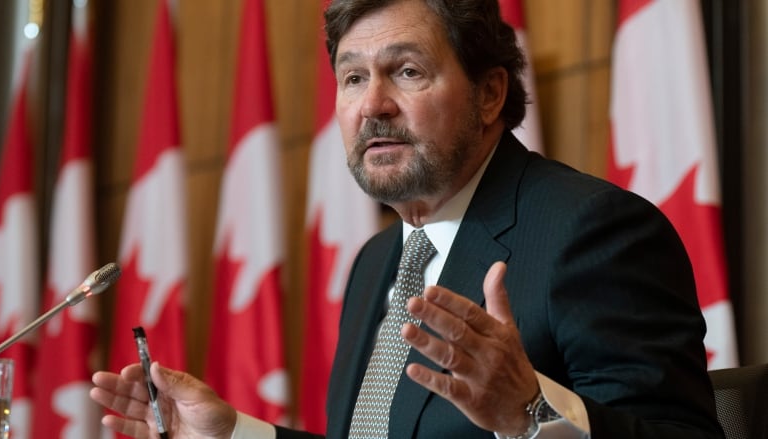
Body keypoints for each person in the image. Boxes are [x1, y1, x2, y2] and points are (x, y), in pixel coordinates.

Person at [90, 0, 726, 438]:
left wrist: (530, 413)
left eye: (407, 71)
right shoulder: (377, 262)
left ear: (489, 94)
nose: (373, 105)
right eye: (352, 77)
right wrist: (234, 432)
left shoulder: (593, 233)